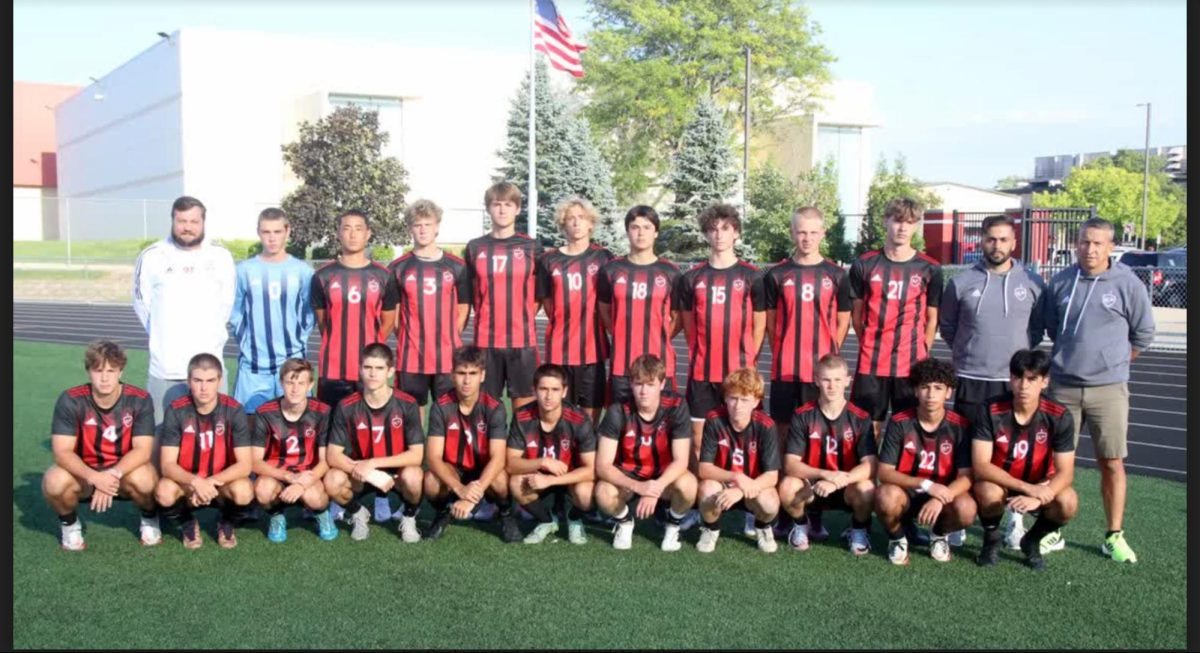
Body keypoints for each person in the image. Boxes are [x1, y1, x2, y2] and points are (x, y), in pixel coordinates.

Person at [1044, 217, 1155, 563]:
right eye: (1084, 242)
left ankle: (1113, 535)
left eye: (1097, 243)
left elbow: (1143, 334)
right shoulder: (1061, 282)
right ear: (1076, 243)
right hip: (1062, 386)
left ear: (1110, 247)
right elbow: (1050, 327)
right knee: (1056, 463)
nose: (1089, 249)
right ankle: (1052, 529)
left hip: (1108, 389)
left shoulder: (1127, 283)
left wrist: (1115, 362)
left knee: (1111, 462)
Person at [939, 213, 1047, 550]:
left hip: (1012, 383)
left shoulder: (1032, 283)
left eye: (1003, 239)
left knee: (1014, 455)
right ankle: (960, 516)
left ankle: (1014, 520)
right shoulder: (960, 282)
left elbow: (1037, 330)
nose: (996, 245)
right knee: (968, 453)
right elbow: (948, 327)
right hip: (971, 378)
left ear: (1013, 242)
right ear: (981, 241)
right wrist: (970, 351)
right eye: (990, 239)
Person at [764, 206, 852, 538]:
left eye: (813, 232)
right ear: (792, 233)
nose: (807, 238)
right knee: (786, 438)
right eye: (801, 231)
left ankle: (814, 511)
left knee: (819, 442)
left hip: (820, 375)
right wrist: (787, 348)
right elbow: (771, 324)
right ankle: (790, 509)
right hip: (786, 370)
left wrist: (825, 353)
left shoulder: (836, 274)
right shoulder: (776, 274)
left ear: (823, 234)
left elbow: (842, 322)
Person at [311, 209, 398, 522]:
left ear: (368, 233)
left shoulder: (383, 275)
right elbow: (324, 322)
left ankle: (382, 496)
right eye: (345, 228)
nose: (351, 234)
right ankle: (337, 498)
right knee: (333, 438)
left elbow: (387, 321)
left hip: (369, 374)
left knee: (378, 436)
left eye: (358, 228)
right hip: (334, 369)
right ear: (338, 232)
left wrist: (369, 350)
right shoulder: (322, 276)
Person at [42, 341, 160, 550]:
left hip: (123, 474)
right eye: (98, 370)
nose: (104, 378)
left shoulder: (139, 399)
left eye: (111, 370)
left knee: (146, 478)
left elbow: (142, 450)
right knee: (54, 481)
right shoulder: (71, 400)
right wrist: (95, 477)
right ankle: (69, 525)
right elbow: (62, 453)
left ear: (120, 371)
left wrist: (112, 475)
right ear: (89, 371)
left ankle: (149, 518)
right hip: (86, 475)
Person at [133, 195, 235, 428]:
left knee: (214, 439)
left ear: (203, 223)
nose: (187, 227)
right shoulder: (152, 256)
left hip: (210, 369)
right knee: (162, 436)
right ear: (172, 220)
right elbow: (142, 305)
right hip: (166, 368)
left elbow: (226, 305)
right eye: (181, 221)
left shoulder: (221, 257)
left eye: (193, 221)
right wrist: (163, 335)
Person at [972, 350, 1078, 571]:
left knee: (1068, 502)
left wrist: (1039, 497)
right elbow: (981, 465)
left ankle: (1032, 540)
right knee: (988, 492)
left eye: (1032, 379)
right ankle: (991, 539)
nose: (1023, 385)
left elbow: (1065, 472)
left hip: (1040, 484)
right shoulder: (990, 409)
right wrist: (1025, 488)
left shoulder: (1059, 415)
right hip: (1001, 481)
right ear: (1010, 379)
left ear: (1045, 382)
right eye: (1018, 377)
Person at [674, 204, 767, 458]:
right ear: (705, 234)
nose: (719, 235)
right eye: (713, 229)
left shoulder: (753, 276)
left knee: (746, 435)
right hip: (703, 372)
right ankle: (702, 493)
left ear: (736, 232)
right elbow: (690, 327)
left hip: (740, 371)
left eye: (725, 229)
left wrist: (750, 358)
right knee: (698, 439)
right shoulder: (692, 278)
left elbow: (760, 325)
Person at [848, 198, 942, 436]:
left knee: (908, 429)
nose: (902, 228)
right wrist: (870, 341)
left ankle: (899, 474)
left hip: (911, 364)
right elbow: (857, 315)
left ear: (916, 226)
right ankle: (868, 473)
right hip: (872, 361)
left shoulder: (929, 268)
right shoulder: (865, 263)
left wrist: (922, 349)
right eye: (897, 221)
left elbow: (932, 318)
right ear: (885, 222)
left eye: (909, 222)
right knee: (868, 429)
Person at [874, 358, 976, 565]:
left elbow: (966, 477)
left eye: (938, 388)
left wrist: (940, 498)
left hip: (941, 495)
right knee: (885, 496)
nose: (931, 395)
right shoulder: (899, 422)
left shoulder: (960, 425)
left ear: (948, 392)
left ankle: (938, 535)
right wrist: (926, 485)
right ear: (915, 391)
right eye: (925, 387)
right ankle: (897, 539)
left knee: (966, 508)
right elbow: (884, 472)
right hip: (907, 492)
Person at [593, 354, 697, 552]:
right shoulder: (618, 410)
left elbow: (681, 460)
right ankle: (624, 522)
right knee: (603, 492)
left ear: (662, 383)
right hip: (629, 476)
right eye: (638, 383)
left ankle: (673, 525)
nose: (643, 391)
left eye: (650, 384)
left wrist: (655, 488)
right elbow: (603, 466)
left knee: (689, 484)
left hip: (663, 476)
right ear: (631, 384)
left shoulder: (676, 406)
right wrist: (639, 486)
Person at [323, 344, 425, 543]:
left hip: (396, 474)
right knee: (332, 480)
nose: (372, 374)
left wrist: (373, 463)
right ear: (360, 369)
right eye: (368, 367)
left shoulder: (407, 403)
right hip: (360, 474)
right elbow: (333, 455)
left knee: (414, 476)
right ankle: (358, 513)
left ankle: (409, 517)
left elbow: (416, 455)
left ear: (390, 371)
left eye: (379, 368)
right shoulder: (346, 406)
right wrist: (368, 471)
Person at [777, 354, 877, 555]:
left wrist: (839, 480)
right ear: (816, 380)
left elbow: (870, 465)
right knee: (787, 485)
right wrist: (826, 474)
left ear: (847, 381)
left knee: (866, 487)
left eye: (838, 380)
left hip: (846, 486)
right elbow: (790, 464)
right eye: (826, 380)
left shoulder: (860, 418)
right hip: (813, 485)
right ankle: (801, 525)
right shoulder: (802, 415)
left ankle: (857, 530)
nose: (832, 386)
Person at [154, 353, 253, 549]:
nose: (203, 387)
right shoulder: (176, 410)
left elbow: (245, 465)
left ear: (219, 381)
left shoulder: (234, 410)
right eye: (197, 380)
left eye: (210, 380)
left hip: (221, 483)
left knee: (244, 491)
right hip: (189, 484)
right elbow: (167, 465)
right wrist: (195, 481)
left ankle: (226, 522)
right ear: (188, 381)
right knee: (164, 491)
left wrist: (209, 483)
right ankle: (187, 522)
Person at [422, 346, 519, 542]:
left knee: (500, 478)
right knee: (431, 481)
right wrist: (459, 489)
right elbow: (432, 458)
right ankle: (444, 513)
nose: (467, 380)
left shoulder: (494, 407)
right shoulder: (441, 406)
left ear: (482, 375)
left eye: (473, 373)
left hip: (484, 469)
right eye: (461, 373)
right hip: (455, 469)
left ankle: (506, 515)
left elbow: (498, 457)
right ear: (452, 375)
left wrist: (471, 496)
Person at [387, 199, 470, 423]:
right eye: (417, 225)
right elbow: (393, 312)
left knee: (449, 413)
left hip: (447, 356)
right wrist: (406, 336)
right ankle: (415, 457)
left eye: (427, 224)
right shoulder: (398, 267)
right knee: (412, 414)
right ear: (410, 229)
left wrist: (451, 335)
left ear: (437, 227)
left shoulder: (456, 265)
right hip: (411, 356)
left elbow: (463, 307)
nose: (422, 229)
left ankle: (446, 455)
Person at [229, 208, 315, 424]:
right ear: (258, 232)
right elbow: (235, 312)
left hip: (292, 364)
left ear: (287, 231)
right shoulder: (245, 270)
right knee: (249, 426)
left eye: (277, 231)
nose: (272, 238)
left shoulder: (302, 271)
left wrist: (298, 342)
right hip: (254, 365)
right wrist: (247, 343)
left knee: (294, 427)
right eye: (266, 232)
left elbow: (309, 314)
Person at [463, 182, 543, 412]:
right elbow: (470, 293)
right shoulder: (475, 247)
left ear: (518, 209)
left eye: (508, 204)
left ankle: (520, 449)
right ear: (488, 208)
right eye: (496, 204)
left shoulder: (531, 246)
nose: (502, 210)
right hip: (486, 341)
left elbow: (539, 294)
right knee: (485, 410)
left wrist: (524, 314)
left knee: (525, 411)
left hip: (522, 341)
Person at [535, 197, 614, 423]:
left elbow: (609, 303)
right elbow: (548, 304)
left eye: (582, 218)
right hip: (560, 349)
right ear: (563, 224)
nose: (577, 223)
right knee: (559, 413)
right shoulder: (549, 260)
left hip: (593, 350)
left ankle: (586, 457)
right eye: (571, 218)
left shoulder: (603, 258)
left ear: (591, 223)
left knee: (589, 418)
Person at [597, 205, 683, 405]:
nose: (641, 232)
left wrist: (659, 335)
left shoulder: (670, 272)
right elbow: (604, 310)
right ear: (627, 231)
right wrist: (618, 331)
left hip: (660, 363)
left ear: (656, 232)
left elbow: (678, 317)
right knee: (621, 425)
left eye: (647, 227)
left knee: (662, 427)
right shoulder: (611, 270)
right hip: (622, 364)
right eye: (635, 227)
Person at [505, 364, 597, 544]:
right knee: (516, 483)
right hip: (538, 476)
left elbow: (591, 470)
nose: (548, 396)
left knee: (588, 493)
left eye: (555, 389)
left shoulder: (579, 419)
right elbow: (511, 464)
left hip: (570, 477)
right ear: (534, 390)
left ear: (564, 392)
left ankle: (574, 517)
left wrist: (551, 480)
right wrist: (543, 462)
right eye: (543, 389)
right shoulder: (522, 416)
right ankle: (547, 520)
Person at [250, 358, 337, 543]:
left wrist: (302, 483)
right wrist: (288, 477)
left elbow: (325, 461)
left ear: (310, 384)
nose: (295, 389)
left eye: (301, 383)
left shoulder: (322, 411)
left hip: (308, 474)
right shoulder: (265, 413)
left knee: (314, 497)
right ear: (281, 382)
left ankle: (321, 514)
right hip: (277, 473)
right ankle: (276, 515)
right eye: (290, 382)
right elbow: (255, 462)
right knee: (263, 490)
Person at [695, 368, 781, 554]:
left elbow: (772, 476)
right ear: (725, 398)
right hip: (723, 484)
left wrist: (742, 489)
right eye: (733, 398)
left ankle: (762, 527)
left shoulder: (766, 426)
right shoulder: (714, 419)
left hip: (753, 486)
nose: (738, 405)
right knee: (706, 489)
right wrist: (736, 477)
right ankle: (711, 528)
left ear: (756, 402)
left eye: (745, 400)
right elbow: (704, 469)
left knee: (770, 503)